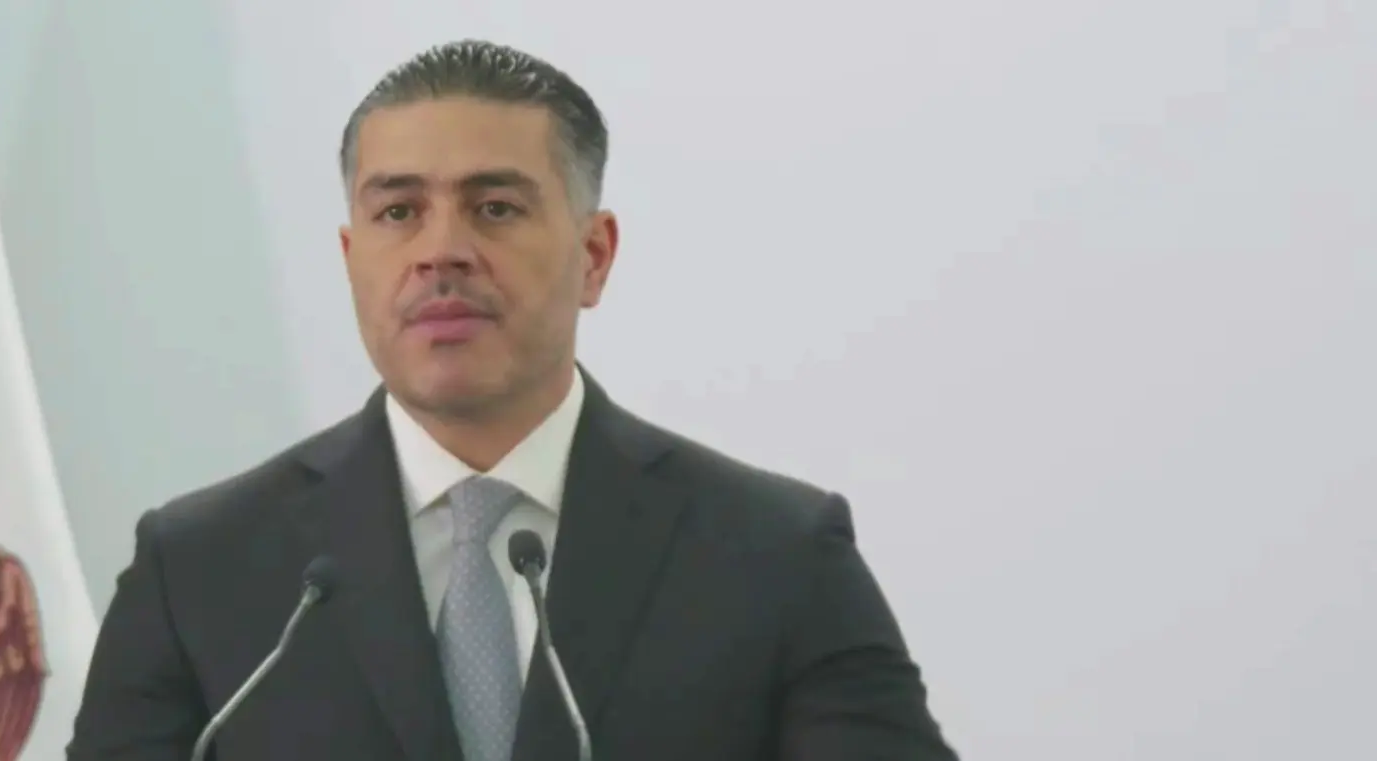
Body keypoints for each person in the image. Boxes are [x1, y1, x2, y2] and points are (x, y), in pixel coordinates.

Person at [66, 39, 957, 761]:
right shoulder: (200, 568)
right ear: (350, 259)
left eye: (493, 208)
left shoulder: (774, 553)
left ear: (594, 255)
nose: (439, 251)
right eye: (397, 213)